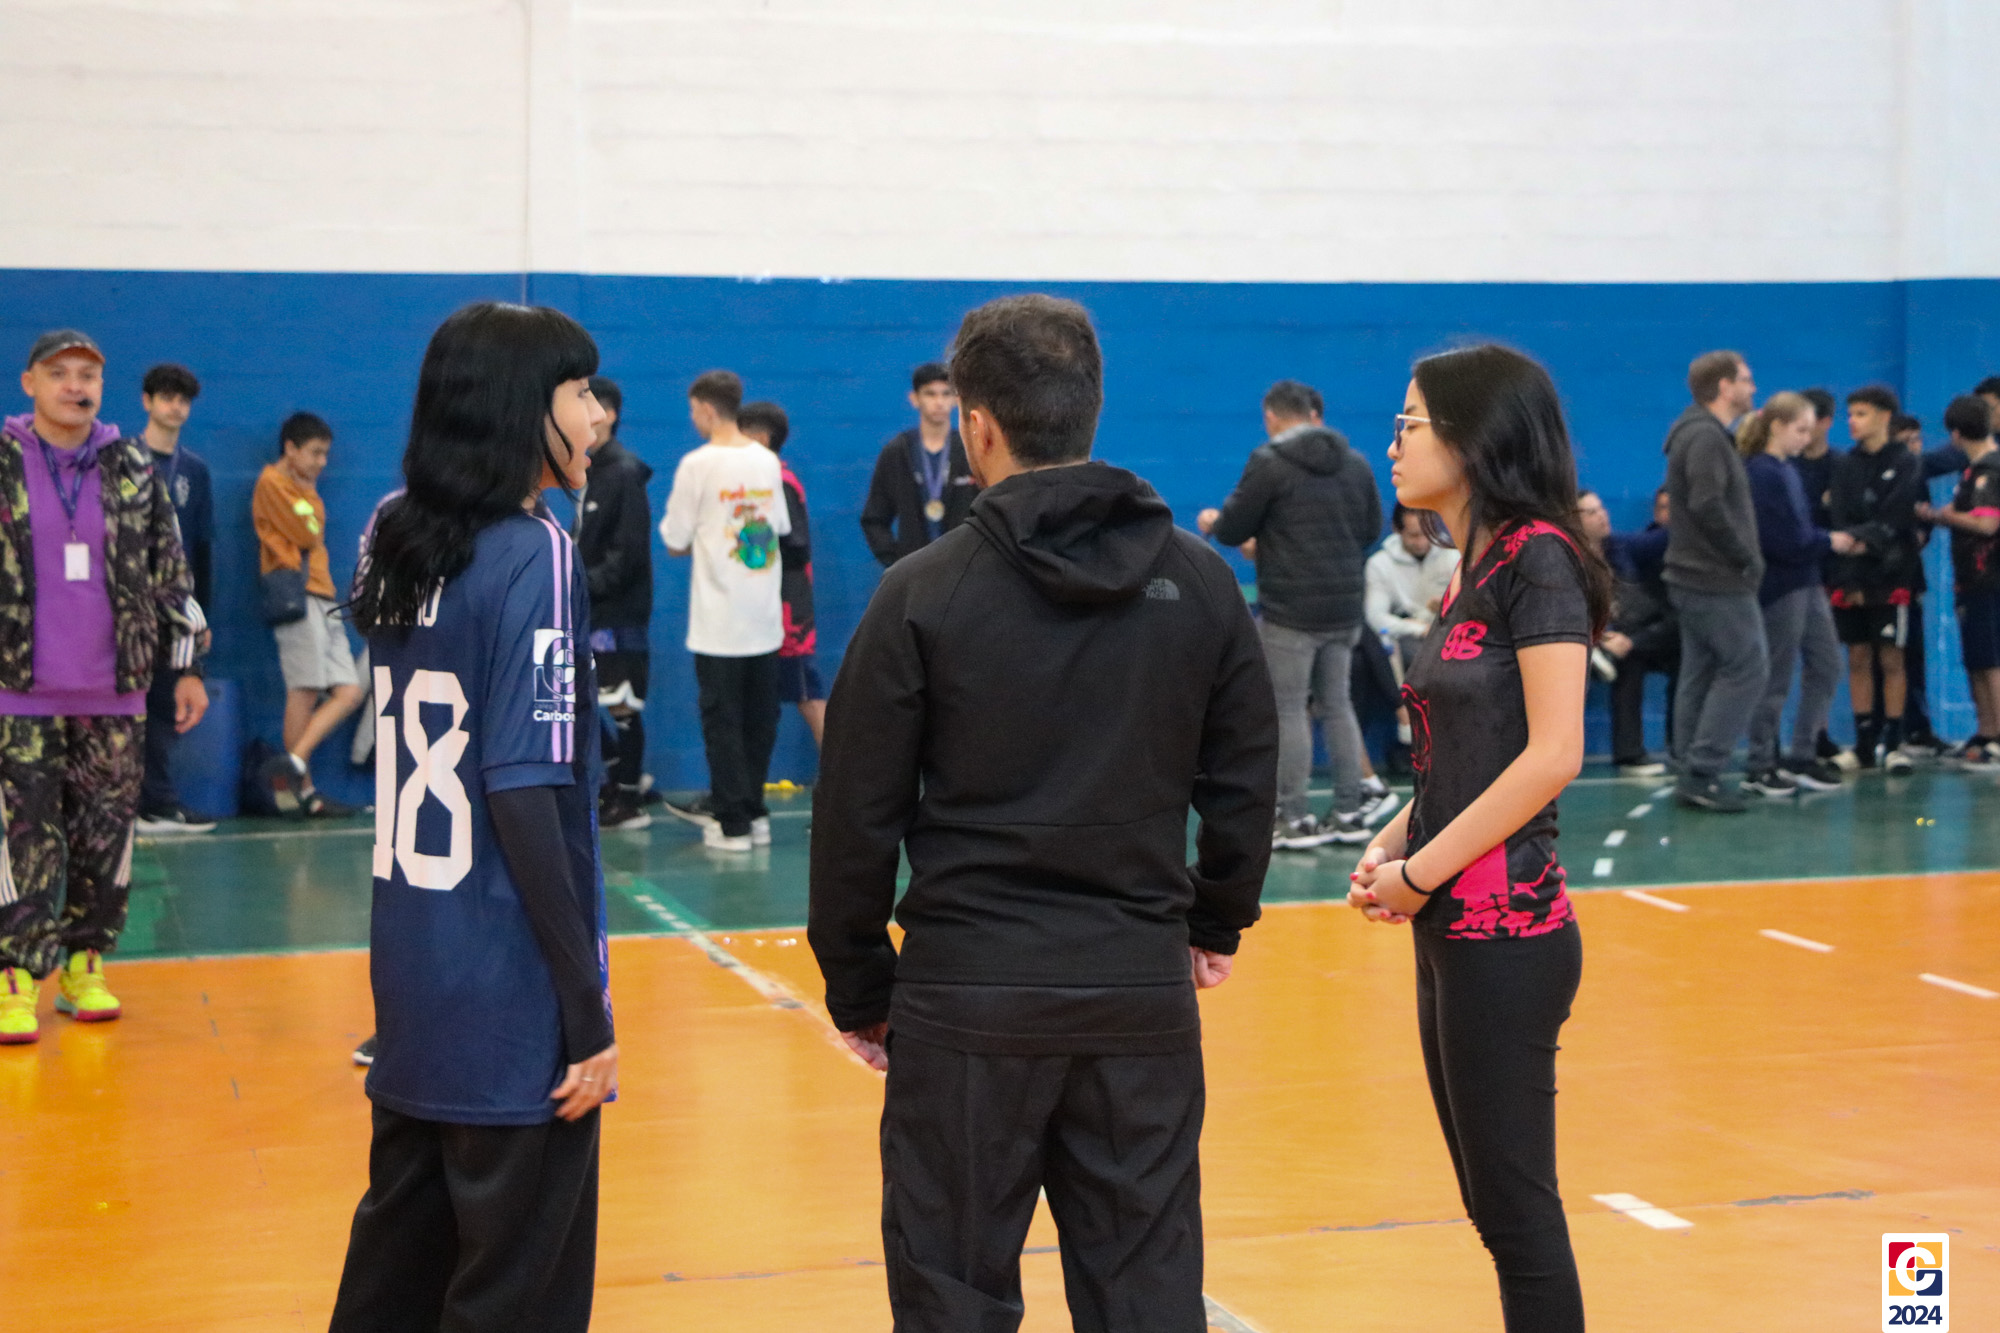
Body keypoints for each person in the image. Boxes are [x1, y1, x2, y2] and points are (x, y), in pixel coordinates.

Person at [809, 293, 1276, 1333]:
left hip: (967, 999)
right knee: (1146, 1293)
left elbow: (854, 814)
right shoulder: (1200, 581)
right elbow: (1247, 776)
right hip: (1136, 990)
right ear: (1088, 409)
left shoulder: (920, 590)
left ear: (977, 426)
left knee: (952, 1295)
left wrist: (858, 980)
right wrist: (1213, 917)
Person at [330, 301, 616, 1333]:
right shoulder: (535, 551)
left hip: (413, 972)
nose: (596, 415)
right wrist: (585, 1008)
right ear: (517, 405)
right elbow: (523, 790)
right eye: (577, 392)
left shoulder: (390, 528)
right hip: (510, 984)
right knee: (516, 1295)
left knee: (395, 1282)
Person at [1347, 343, 1604, 1333]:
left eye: (1410, 422)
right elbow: (1461, 759)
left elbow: (1552, 754)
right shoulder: (1472, 564)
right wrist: (1391, 843)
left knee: (1517, 1216)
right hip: (1448, 923)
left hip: (1509, 932)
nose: (1395, 442)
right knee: (1494, 1211)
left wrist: (1416, 870)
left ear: (1474, 434)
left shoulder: (1538, 557)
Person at [0, 330, 208, 1044]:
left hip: (115, 692)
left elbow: (169, 567)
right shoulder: (4, 461)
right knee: (22, 839)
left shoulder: (130, 465)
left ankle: (85, 962)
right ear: (29, 382)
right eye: (59, 373)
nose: (75, 386)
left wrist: (186, 666)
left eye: (87, 375)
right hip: (18, 693)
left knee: (106, 834)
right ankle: (15, 974)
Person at [1198, 379, 1383, 848]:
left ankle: (1293, 816)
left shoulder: (1270, 462)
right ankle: (1349, 812)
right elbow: (1369, 530)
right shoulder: (1356, 463)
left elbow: (1234, 527)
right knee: (1338, 704)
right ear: (1313, 414)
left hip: (1291, 608)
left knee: (1289, 707)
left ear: (1272, 417)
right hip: (1345, 607)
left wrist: (1215, 522)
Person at [658, 371, 789, 851]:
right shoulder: (766, 461)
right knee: (759, 721)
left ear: (707, 410)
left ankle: (732, 824)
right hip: (765, 618)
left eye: (694, 410)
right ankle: (754, 812)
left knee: (723, 722)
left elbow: (674, 539)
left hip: (719, 622)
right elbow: (775, 527)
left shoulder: (697, 465)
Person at [1739, 394, 1860, 795]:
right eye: (1800, 430)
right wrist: (1828, 541)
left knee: (1827, 664)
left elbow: (1798, 532)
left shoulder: (1786, 470)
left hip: (1807, 580)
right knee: (1776, 675)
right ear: (1776, 426)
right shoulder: (1761, 472)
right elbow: (1780, 538)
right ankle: (1760, 762)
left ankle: (1803, 754)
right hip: (1781, 584)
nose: (1807, 439)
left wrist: (1820, 541)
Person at [1662, 350, 1766, 811]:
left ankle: (1690, 768)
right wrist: (1744, 557)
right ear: (1724, 386)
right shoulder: (1705, 437)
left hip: (1694, 576)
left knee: (1701, 671)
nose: (1753, 388)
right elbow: (1707, 504)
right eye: (1746, 380)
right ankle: (1702, 771)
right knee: (1747, 666)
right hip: (1714, 577)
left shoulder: (1694, 433)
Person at [252, 411, 362, 816]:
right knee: (304, 689)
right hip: (296, 597)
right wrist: (309, 498)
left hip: (323, 595)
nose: (321, 463)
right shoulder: (273, 483)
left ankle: (293, 763)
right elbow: (308, 532)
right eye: (315, 453)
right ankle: (303, 794)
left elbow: (311, 526)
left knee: (348, 691)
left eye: (325, 454)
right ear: (290, 448)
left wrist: (308, 502)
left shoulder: (300, 490)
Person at [134, 362, 218, 834]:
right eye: (166, 397)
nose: (175, 407)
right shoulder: (123, 460)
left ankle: (159, 802)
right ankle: (127, 803)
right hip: (128, 602)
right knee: (125, 703)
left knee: (166, 701)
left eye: (183, 400)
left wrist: (201, 614)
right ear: (147, 401)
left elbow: (202, 550)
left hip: (176, 606)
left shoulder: (195, 471)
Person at [572, 375, 655, 831]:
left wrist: (580, 585)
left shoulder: (623, 473)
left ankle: (628, 799)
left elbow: (627, 553)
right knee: (579, 699)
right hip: (591, 610)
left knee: (622, 704)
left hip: (617, 614)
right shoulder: (590, 471)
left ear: (609, 414)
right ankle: (619, 780)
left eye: (590, 405)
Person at [1828, 385, 1925, 770]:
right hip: (1852, 575)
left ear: (1885, 416)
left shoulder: (1906, 461)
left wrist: (1864, 541)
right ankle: (1864, 744)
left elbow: (1896, 517)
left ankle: (1895, 742)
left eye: (1862, 413)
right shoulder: (1845, 464)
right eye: (1850, 414)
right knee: (1857, 655)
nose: (1853, 421)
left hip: (1892, 574)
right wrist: (1852, 547)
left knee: (1892, 657)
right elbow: (1841, 516)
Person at [1915, 396, 2000, 764]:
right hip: (1971, 578)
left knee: (1992, 659)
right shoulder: (1972, 471)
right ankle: (1986, 731)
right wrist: (1941, 514)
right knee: (1977, 658)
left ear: (1955, 434)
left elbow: (1987, 523)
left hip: (1989, 578)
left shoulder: (1989, 471)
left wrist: (1943, 517)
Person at [738, 400, 825, 744]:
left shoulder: (779, 482)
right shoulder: (757, 483)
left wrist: (751, 546)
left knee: (807, 695)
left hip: (788, 613)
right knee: (761, 701)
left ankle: (845, 772)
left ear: (761, 439)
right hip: (761, 610)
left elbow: (796, 545)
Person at [1581, 489, 1677, 776]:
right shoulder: (1565, 560)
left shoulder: (1621, 547)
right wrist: (1601, 636)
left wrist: (1628, 639)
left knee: (1681, 647)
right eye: (1591, 512)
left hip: (1630, 636)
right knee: (1627, 663)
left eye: (1601, 508)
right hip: (1588, 638)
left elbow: (1664, 538)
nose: (1602, 516)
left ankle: (1681, 747)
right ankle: (1629, 755)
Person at [1365, 501, 1458, 761]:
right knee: (1400, 649)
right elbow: (1375, 618)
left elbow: (1474, 606)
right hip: (1405, 641)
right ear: (1397, 530)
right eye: (1414, 535)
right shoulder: (1380, 565)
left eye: (1427, 534)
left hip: (1448, 635)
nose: (1421, 542)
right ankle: (1413, 737)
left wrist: (1448, 607)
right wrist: (1417, 629)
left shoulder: (1453, 557)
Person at [860, 362, 975, 566]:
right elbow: (874, 518)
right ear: (915, 399)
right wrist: (898, 562)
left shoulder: (971, 450)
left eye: (946, 394)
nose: (939, 402)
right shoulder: (897, 452)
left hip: (964, 567)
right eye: (930, 394)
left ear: (956, 399)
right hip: (913, 570)